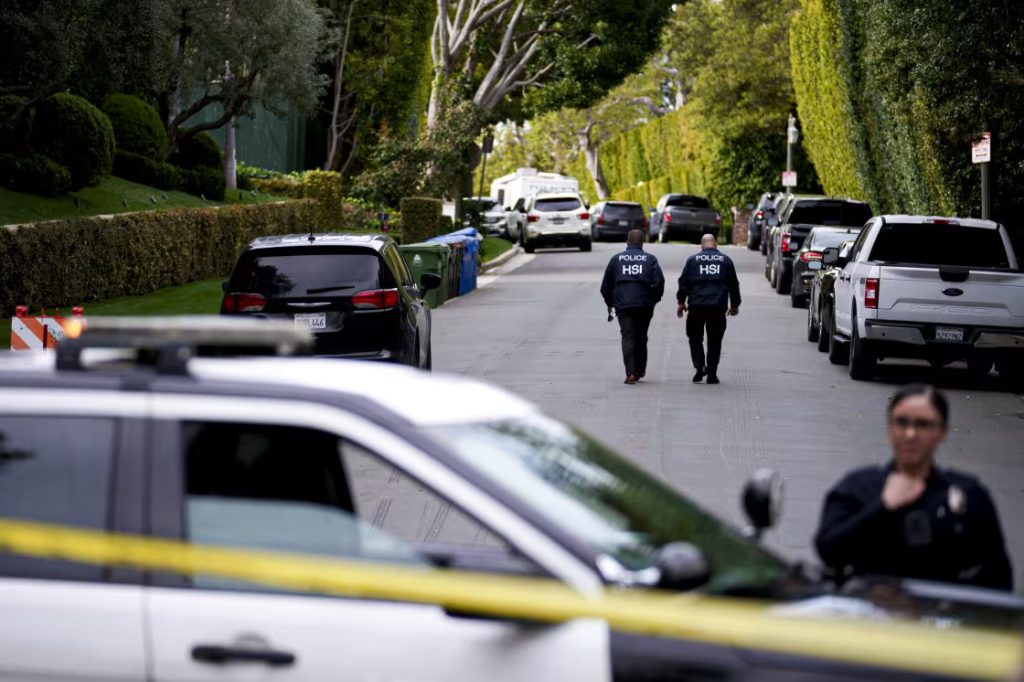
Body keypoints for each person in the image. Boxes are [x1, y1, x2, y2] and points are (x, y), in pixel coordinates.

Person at [815, 384, 1013, 591]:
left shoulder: (968, 495)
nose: (910, 434)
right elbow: (828, 550)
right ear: (890, 428)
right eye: (901, 423)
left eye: (923, 424)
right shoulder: (859, 487)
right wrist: (883, 507)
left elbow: (998, 578)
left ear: (942, 431)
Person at [600, 229, 665, 384]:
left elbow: (605, 286)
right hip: (644, 304)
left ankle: (631, 373)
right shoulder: (650, 259)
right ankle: (640, 370)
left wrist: (610, 304)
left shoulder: (616, 260)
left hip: (623, 304)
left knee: (628, 337)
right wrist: (654, 300)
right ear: (642, 243)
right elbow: (659, 282)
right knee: (641, 337)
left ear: (627, 242)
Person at [675, 234, 740, 384]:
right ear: (716, 244)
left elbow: (683, 282)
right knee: (715, 341)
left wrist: (681, 302)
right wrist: (735, 305)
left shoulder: (692, 260)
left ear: (701, 245)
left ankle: (699, 366)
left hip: (696, 306)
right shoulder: (726, 261)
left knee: (695, 337)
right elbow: (733, 285)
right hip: (717, 307)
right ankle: (712, 374)